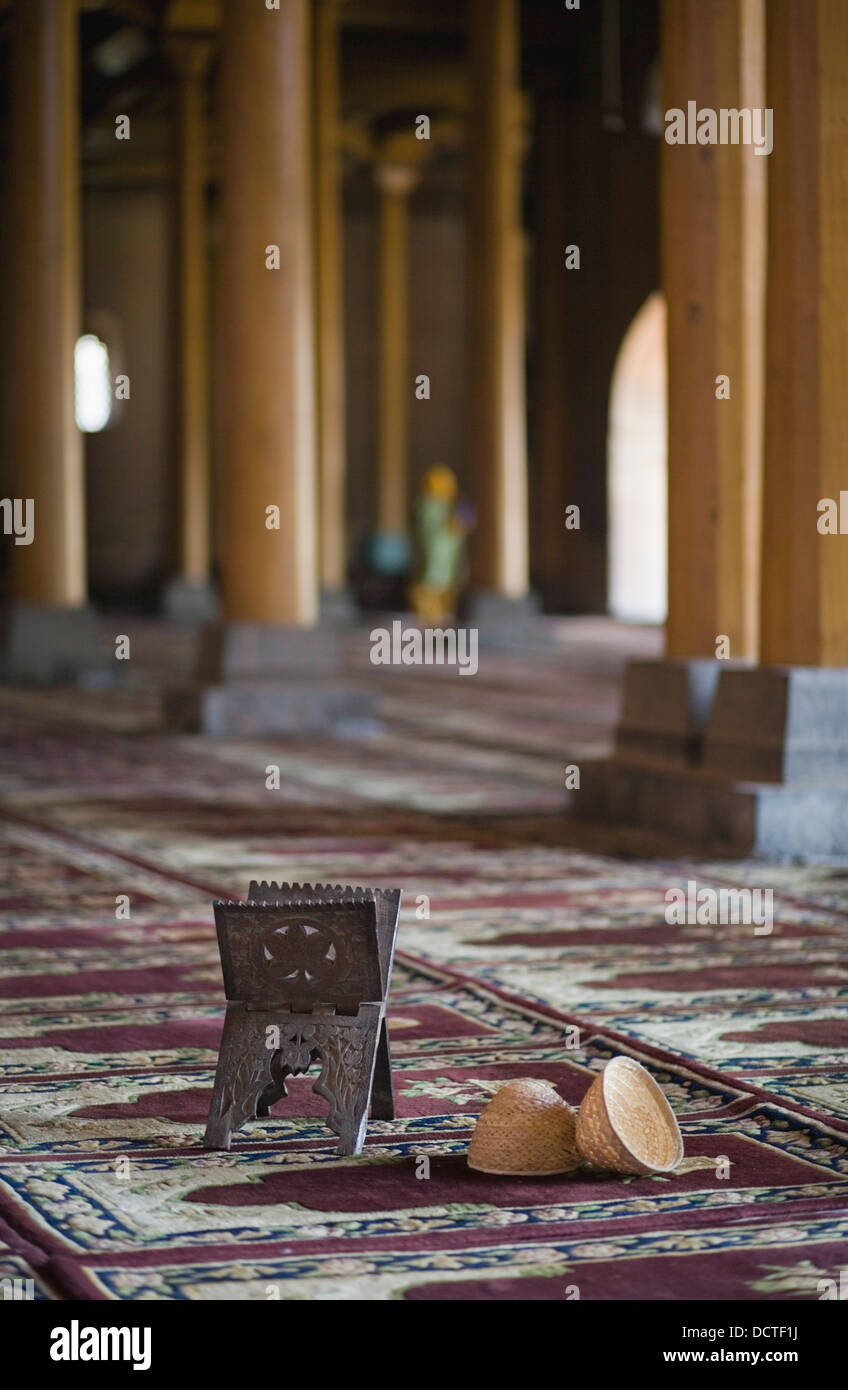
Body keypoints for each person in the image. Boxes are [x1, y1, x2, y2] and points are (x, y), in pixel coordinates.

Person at [409, 465, 474, 622]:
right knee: (429, 588)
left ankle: (438, 620)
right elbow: (432, 531)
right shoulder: (427, 506)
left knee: (442, 590)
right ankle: (432, 621)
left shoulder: (441, 505)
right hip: (433, 563)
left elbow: (461, 525)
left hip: (446, 563)